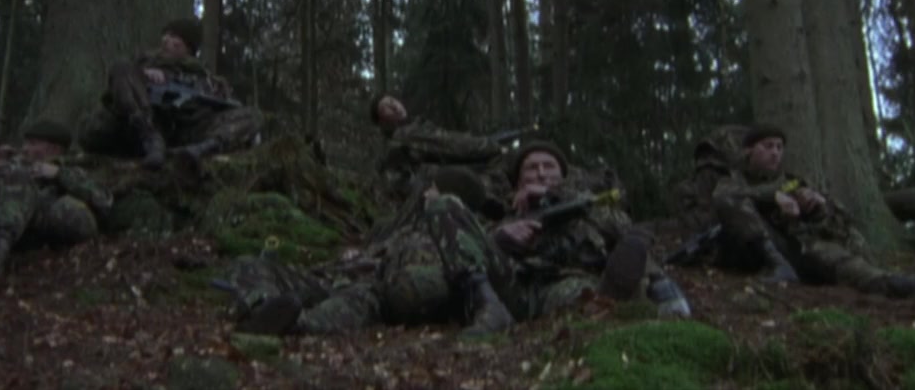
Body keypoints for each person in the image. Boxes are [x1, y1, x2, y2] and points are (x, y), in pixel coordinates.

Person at [223, 139, 686, 337]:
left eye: (550, 168)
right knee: (260, 271)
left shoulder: (591, 208)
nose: (542, 174)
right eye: (532, 168)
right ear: (516, 180)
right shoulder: (489, 216)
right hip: (500, 278)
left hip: (553, 281)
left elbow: (633, 239)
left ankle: (612, 302)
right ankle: (274, 316)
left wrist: (658, 282)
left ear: (564, 175)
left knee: (580, 295)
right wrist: (502, 235)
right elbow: (455, 238)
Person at [712, 124, 915, 297]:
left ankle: (906, 285)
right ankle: (778, 265)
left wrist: (817, 207)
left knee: (836, 257)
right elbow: (725, 200)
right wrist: (773, 197)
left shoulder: (793, 182)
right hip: (756, 250)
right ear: (749, 150)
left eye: (779, 147)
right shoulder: (733, 180)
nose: (775, 153)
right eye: (768, 146)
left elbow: (838, 217)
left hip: (799, 248)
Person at [78, 18, 261, 170]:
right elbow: (117, 93)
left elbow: (224, 109)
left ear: (188, 46)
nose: (165, 40)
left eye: (174, 36)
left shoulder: (204, 78)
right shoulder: (140, 64)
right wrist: (142, 75)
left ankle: (200, 150)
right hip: (133, 129)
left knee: (252, 116)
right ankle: (150, 137)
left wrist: (216, 97)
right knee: (121, 68)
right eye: (165, 35)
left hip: (182, 134)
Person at [0, 120, 116, 283]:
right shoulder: (19, 166)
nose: (25, 148)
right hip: (32, 218)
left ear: (54, 148)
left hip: (71, 217)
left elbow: (104, 199)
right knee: (18, 184)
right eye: (25, 143)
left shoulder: (76, 165)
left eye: (33, 143)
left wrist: (59, 174)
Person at [370, 93, 511, 214]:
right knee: (496, 162)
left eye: (393, 101)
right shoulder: (404, 134)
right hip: (429, 194)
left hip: (426, 195)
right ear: (382, 121)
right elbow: (453, 145)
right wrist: (493, 146)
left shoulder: (407, 132)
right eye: (386, 108)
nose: (395, 107)